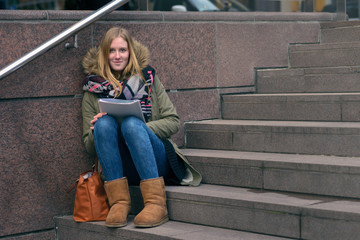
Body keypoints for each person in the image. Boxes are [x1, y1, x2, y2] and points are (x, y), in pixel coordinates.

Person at [81, 27, 202, 228]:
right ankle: (119, 203)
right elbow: (88, 145)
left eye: (122, 50)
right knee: (103, 124)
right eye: (112, 51)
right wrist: (95, 131)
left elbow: (172, 120)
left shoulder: (147, 79)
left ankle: (156, 204)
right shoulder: (92, 90)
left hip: (154, 158)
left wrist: (140, 128)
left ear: (131, 53)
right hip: (120, 165)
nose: (117, 56)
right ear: (104, 54)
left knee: (131, 124)